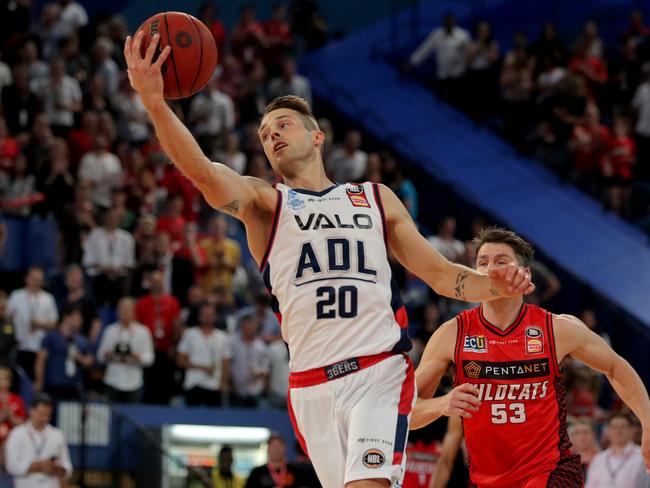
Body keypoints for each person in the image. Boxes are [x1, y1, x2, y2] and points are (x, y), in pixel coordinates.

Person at [124, 34, 533, 488]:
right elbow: (202, 171)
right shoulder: (265, 202)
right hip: (310, 386)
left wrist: (497, 284)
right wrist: (155, 104)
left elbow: (441, 276)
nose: (271, 134)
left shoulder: (374, 198)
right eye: (263, 134)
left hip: (379, 371)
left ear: (316, 136)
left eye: (282, 125)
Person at [411, 227, 650, 487]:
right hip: (488, 479)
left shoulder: (556, 328)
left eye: (501, 261)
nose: (490, 269)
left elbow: (615, 367)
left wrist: (648, 420)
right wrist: (441, 404)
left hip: (551, 471)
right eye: (482, 262)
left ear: (525, 273)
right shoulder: (451, 334)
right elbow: (406, 412)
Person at [4, 393, 73, 488]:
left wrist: (57, 469)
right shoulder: (17, 434)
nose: (44, 418)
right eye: (41, 413)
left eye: (47, 414)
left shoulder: (57, 434)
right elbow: (11, 466)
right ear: (31, 410)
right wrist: (38, 466)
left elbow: (67, 467)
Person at [97, 297, 154, 403]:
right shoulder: (110, 331)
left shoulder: (143, 332)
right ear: (117, 312)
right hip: (112, 380)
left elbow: (150, 358)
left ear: (134, 312)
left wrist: (137, 356)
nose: (124, 312)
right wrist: (107, 355)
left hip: (134, 382)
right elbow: (100, 356)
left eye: (127, 310)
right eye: (121, 309)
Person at [176, 303, 231, 407]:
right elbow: (180, 360)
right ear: (199, 316)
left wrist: (223, 383)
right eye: (204, 315)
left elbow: (226, 363)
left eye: (210, 315)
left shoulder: (222, 337)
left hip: (214, 386)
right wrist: (201, 367)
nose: (207, 318)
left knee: (214, 421)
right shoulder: (189, 334)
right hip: (193, 384)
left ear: (215, 317)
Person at [585, 412, 650, 487]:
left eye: (623, 427)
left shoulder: (642, 456)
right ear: (608, 431)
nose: (618, 431)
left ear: (632, 430)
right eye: (614, 427)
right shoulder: (598, 459)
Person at [245, 433, 313, 488]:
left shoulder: (297, 470)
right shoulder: (257, 473)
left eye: (279, 445)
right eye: (273, 445)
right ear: (268, 448)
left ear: (285, 448)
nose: (276, 449)